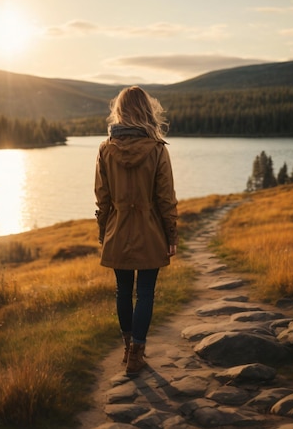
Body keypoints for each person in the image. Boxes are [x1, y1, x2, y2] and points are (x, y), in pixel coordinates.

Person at [94, 85, 178, 375]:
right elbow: (166, 199)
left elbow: (102, 199)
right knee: (145, 293)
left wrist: (103, 233)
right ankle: (136, 355)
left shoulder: (105, 149)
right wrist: (172, 235)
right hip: (150, 232)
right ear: (147, 110)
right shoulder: (157, 150)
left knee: (122, 291)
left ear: (120, 110)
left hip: (117, 230)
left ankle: (127, 349)